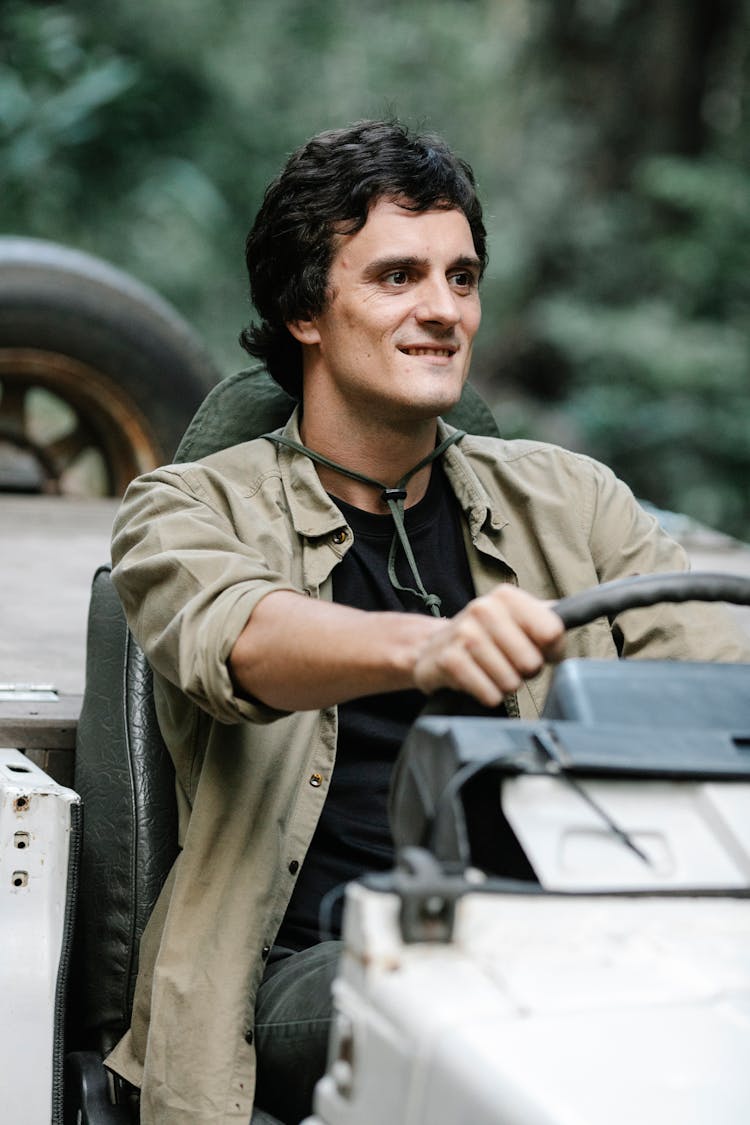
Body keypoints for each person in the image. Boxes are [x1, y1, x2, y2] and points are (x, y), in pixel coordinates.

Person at [108, 120, 748, 1125]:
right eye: (399, 276)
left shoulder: (577, 502)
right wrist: (431, 645)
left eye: (462, 277)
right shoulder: (186, 508)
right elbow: (240, 642)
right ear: (302, 309)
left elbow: (724, 694)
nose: (444, 310)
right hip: (314, 968)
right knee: (505, 1014)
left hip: (581, 943)